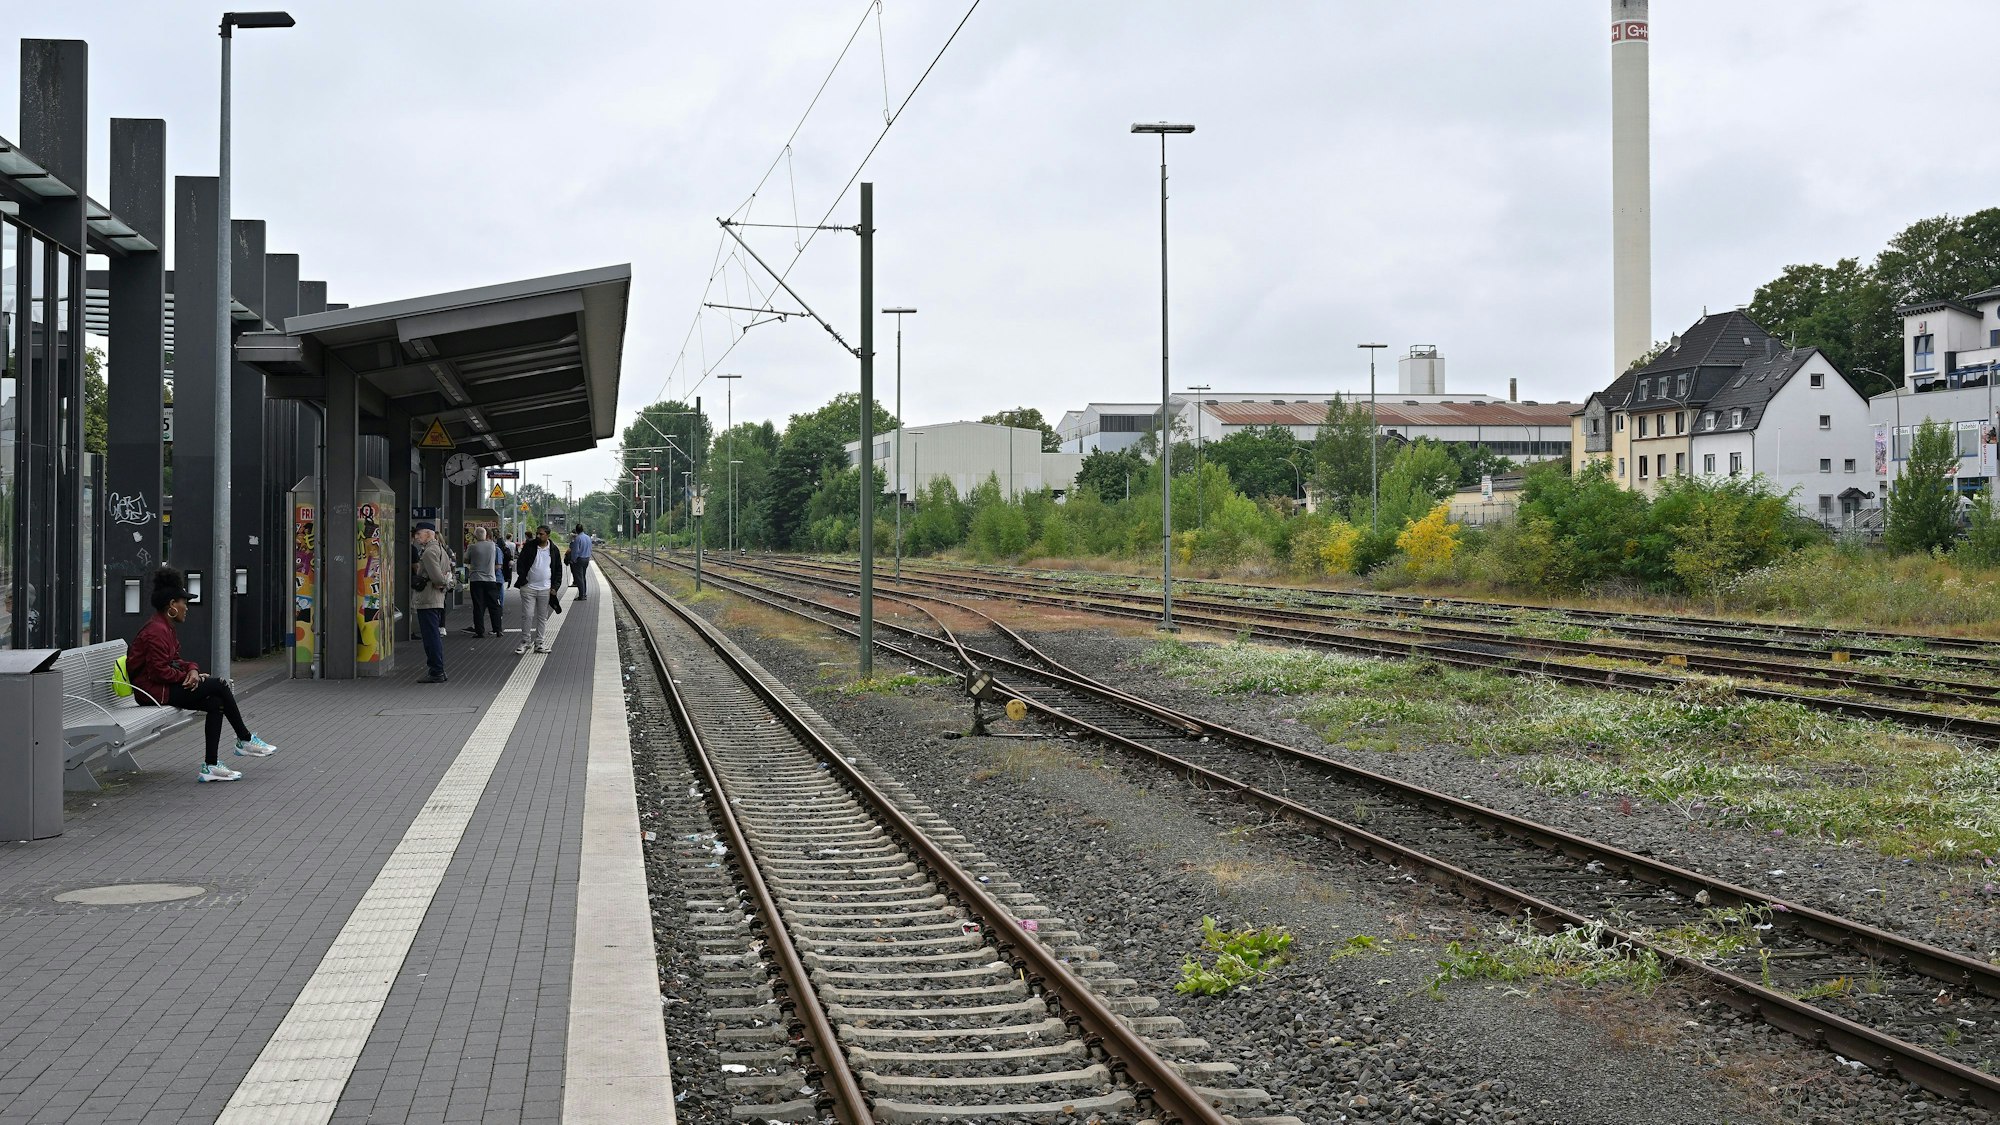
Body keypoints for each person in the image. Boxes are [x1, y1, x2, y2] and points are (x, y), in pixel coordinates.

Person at [127, 566, 277, 782]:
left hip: (162, 688)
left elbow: (175, 660)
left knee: (216, 702)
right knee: (219, 685)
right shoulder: (156, 631)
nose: (186, 608)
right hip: (153, 692)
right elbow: (159, 672)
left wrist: (193, 669)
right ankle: (244, 739)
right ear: (172, 605)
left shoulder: (165, 627)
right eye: (184, 602)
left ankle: (211, 766)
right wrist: (187, 677)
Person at [412, 521, 454, 682]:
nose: (416, 537)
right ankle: (438, 669)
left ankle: (436, 671)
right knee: (433, 634)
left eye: (419, 534)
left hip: (428, 598)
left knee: (431, 637)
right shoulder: (441, 549)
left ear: (429, 534)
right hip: (437, 598)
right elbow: (448, 572)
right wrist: (444, 582)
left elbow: (437, 578)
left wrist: (441, 582)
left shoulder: (429, 552)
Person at [514, 524, 562, 654]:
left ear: (548, 535)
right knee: (528, 615)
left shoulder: (554, 550)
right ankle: (525, 642)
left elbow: (558, 569)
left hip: (545, 589)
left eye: (541, 534)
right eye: (537, 533)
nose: (538, 536)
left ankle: (539, 643)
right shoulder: (529, 546)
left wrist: (555, 587)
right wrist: (523, 579)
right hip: (528, 587)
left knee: (542, 617)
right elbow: (521, 563)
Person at [464, 527, 502, 638]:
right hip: (490, 579)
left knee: (478, 606)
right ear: (486, 535)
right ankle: (498, 629)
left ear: (475, 536)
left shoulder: (472, 547)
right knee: (494, 605)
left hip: (476, 579)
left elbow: (466, 559)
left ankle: (479, 631)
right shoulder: (492, 546)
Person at [569, 524, 593, 600]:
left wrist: (573, 560)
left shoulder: (578, 538)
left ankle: (581, 595)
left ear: (576, 530)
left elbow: (575, 551)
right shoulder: (588, 537)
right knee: (583, 576)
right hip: (586, 559)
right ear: (583, 529)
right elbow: (590, 548)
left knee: (579, 578)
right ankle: (584, 593)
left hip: (580, 559)